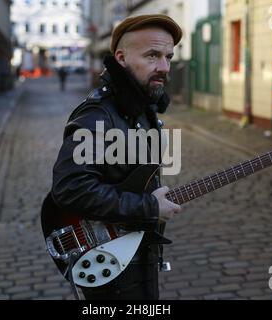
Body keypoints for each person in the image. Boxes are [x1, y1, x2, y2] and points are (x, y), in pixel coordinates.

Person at [47, 14, 183, 300]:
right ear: (120, 58)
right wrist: (148, 207)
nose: (164, 67)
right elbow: (72, 189)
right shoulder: (99, 116)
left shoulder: (143, 110)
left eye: (168, 57)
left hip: (138, 251)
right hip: (107, 259)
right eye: (152, 56)